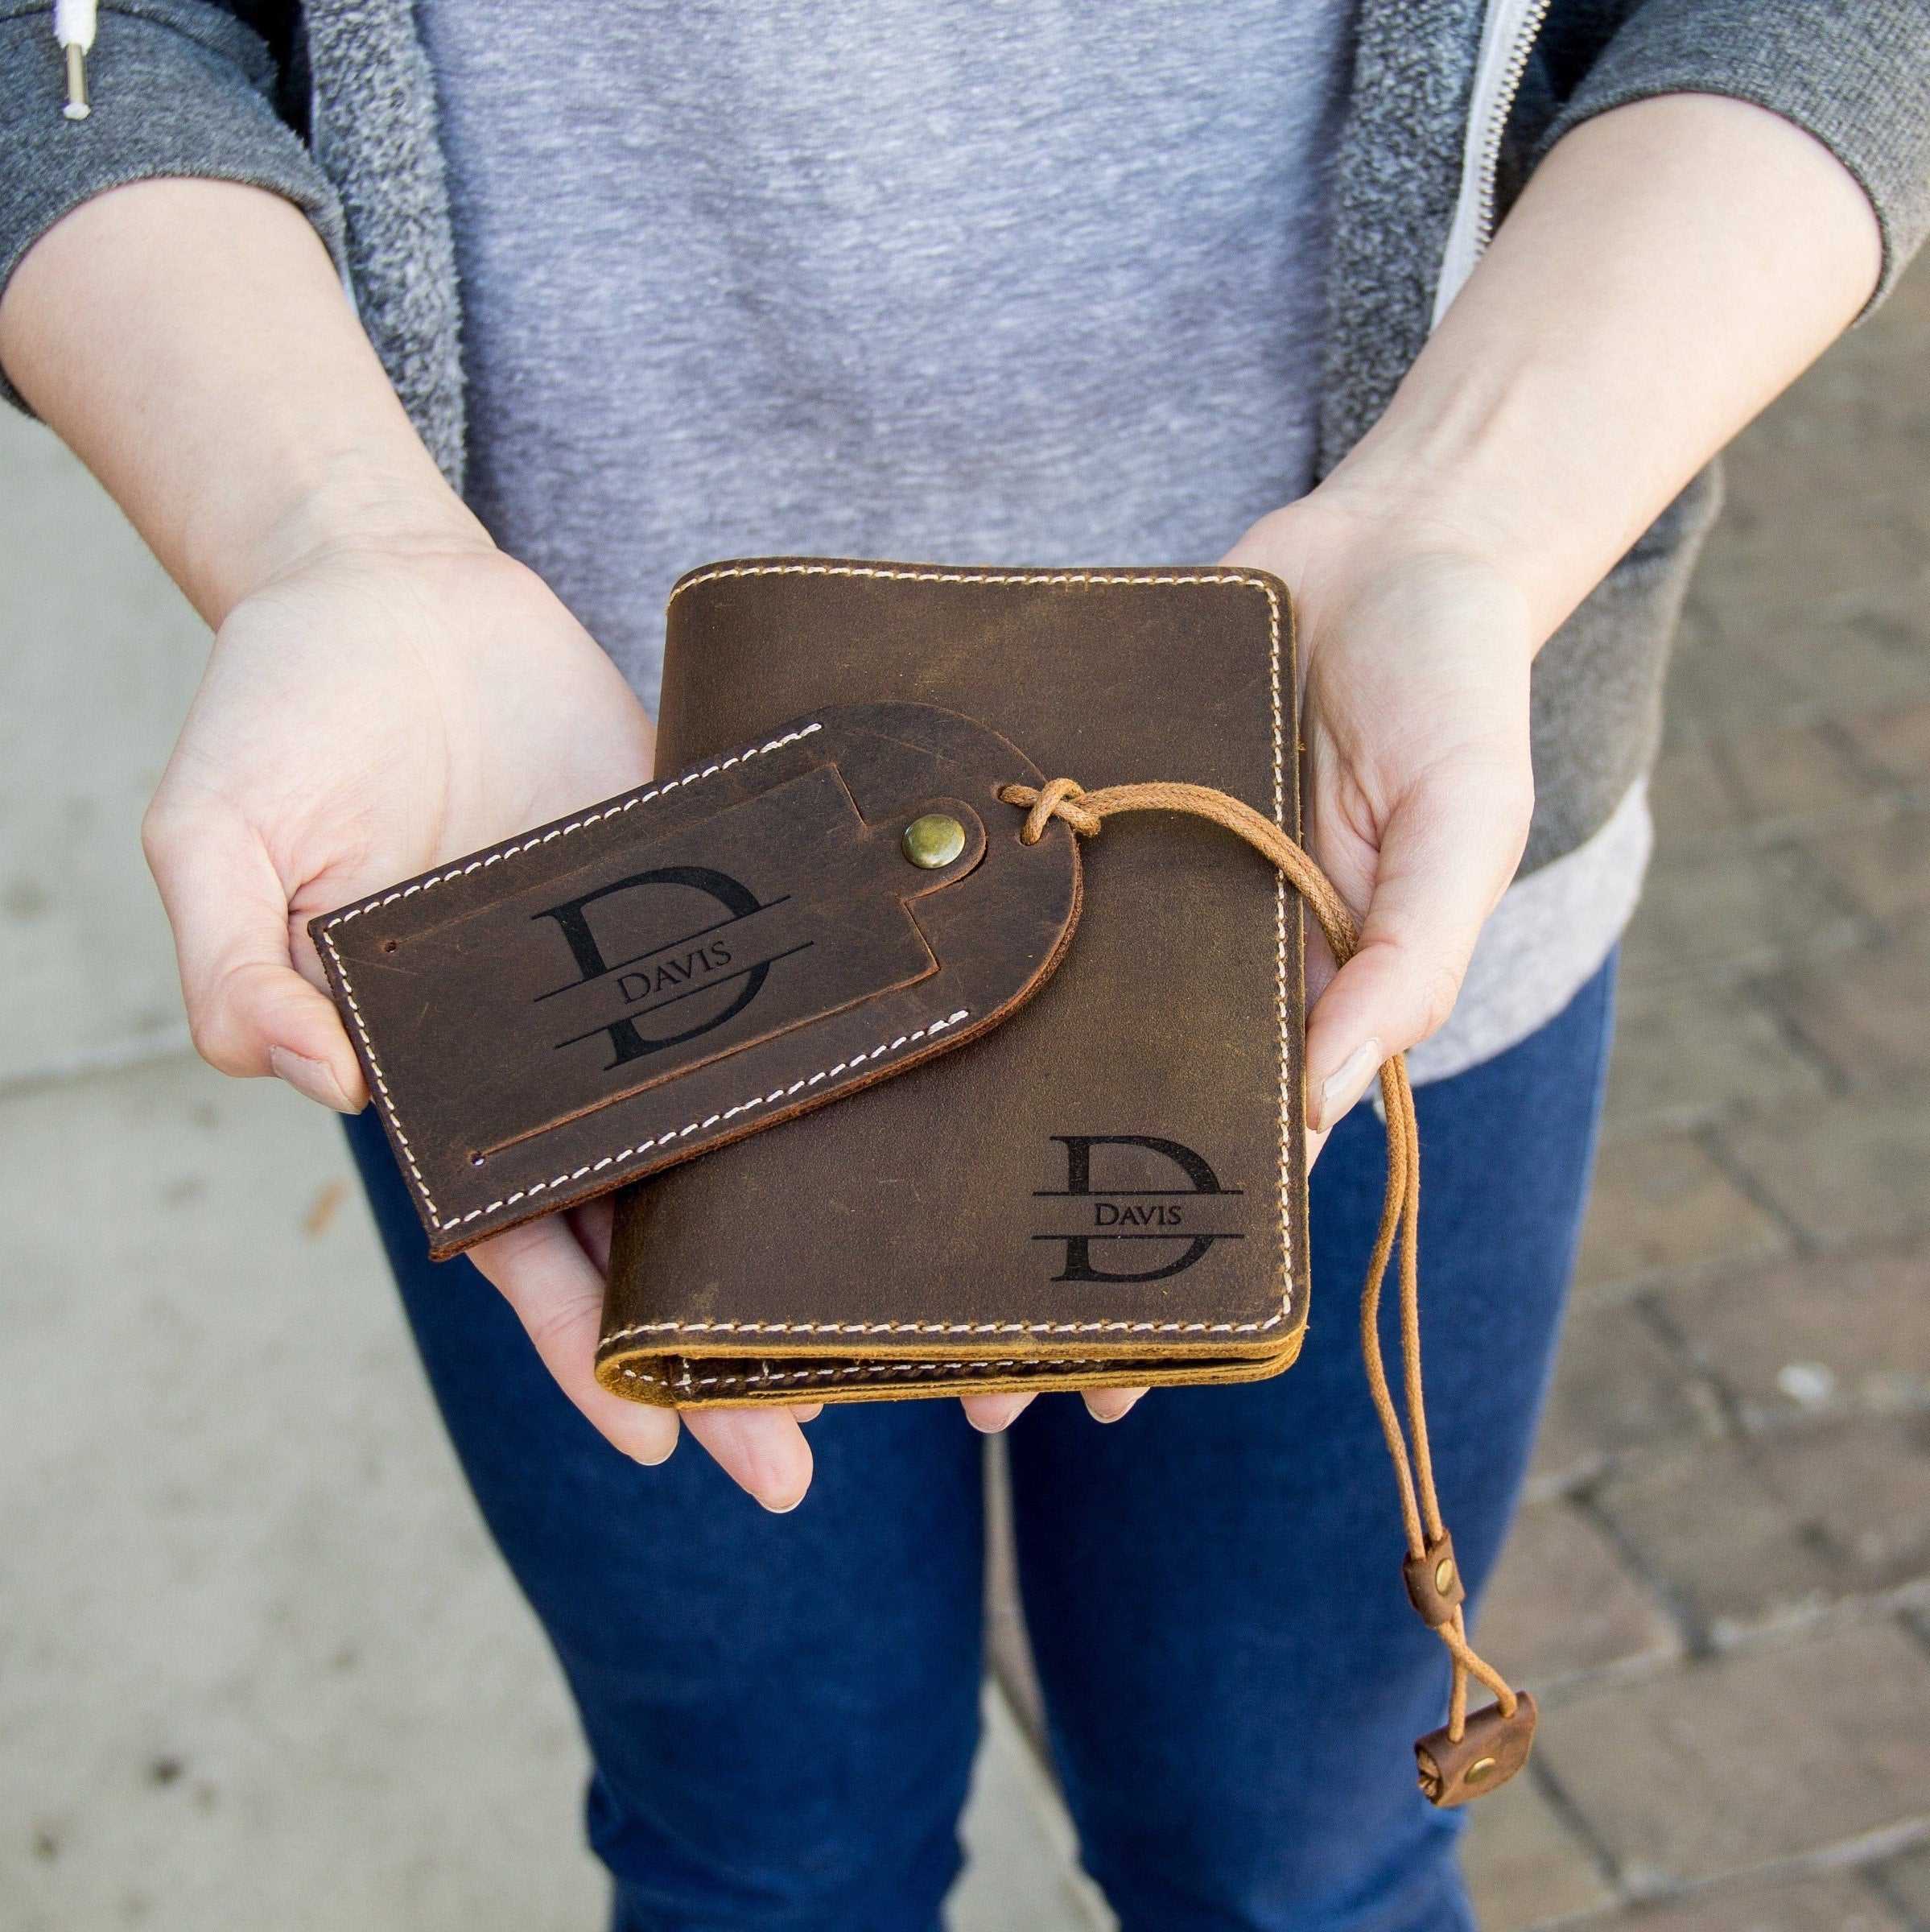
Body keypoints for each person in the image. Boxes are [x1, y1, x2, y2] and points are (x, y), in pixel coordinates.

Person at [4, 3, 1925, 1926]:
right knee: (762, 1858)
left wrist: (1475, 522)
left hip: (1330, 880)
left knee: (1293, 1869)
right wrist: (321, 534)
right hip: (560, 884)